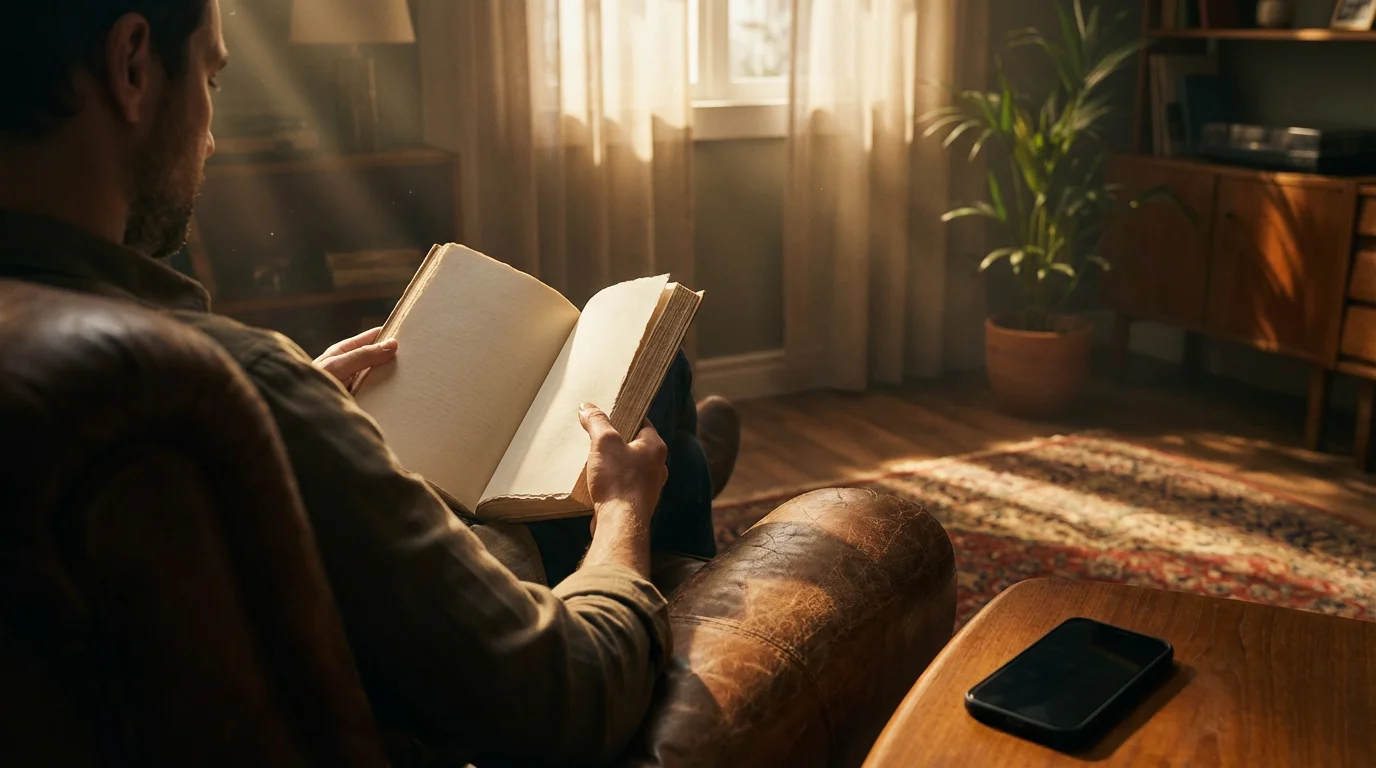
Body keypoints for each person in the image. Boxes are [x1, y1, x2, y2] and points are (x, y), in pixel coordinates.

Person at [0, 1, 740, 765]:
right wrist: (620, 516)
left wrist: (278, 427)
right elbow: (567, 695)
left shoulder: (151, 377)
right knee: (655, 400)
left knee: (648, 436)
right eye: (213, 81)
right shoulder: (230, 383)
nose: (212, 136)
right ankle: (669, 493)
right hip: (439, 712)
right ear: (131, 66)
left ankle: (677, 469)